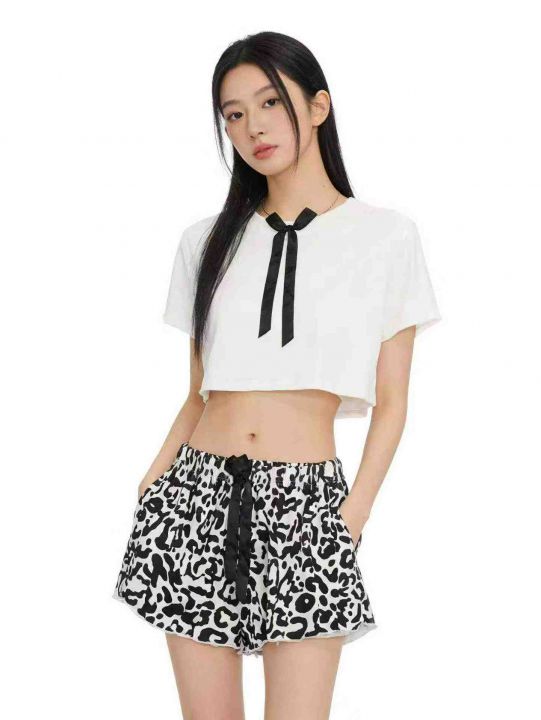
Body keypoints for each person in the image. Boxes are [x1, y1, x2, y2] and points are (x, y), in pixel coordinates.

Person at [112, 30, 441, 720]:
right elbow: (198, 393)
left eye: (269, 102)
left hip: (307, 508)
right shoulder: (205, 241)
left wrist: (351, 516)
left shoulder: (385, 236)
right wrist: (153, 483)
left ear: (318, 105)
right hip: (193, 497)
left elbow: (392, 402)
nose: (252, 127)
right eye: (233, 114)